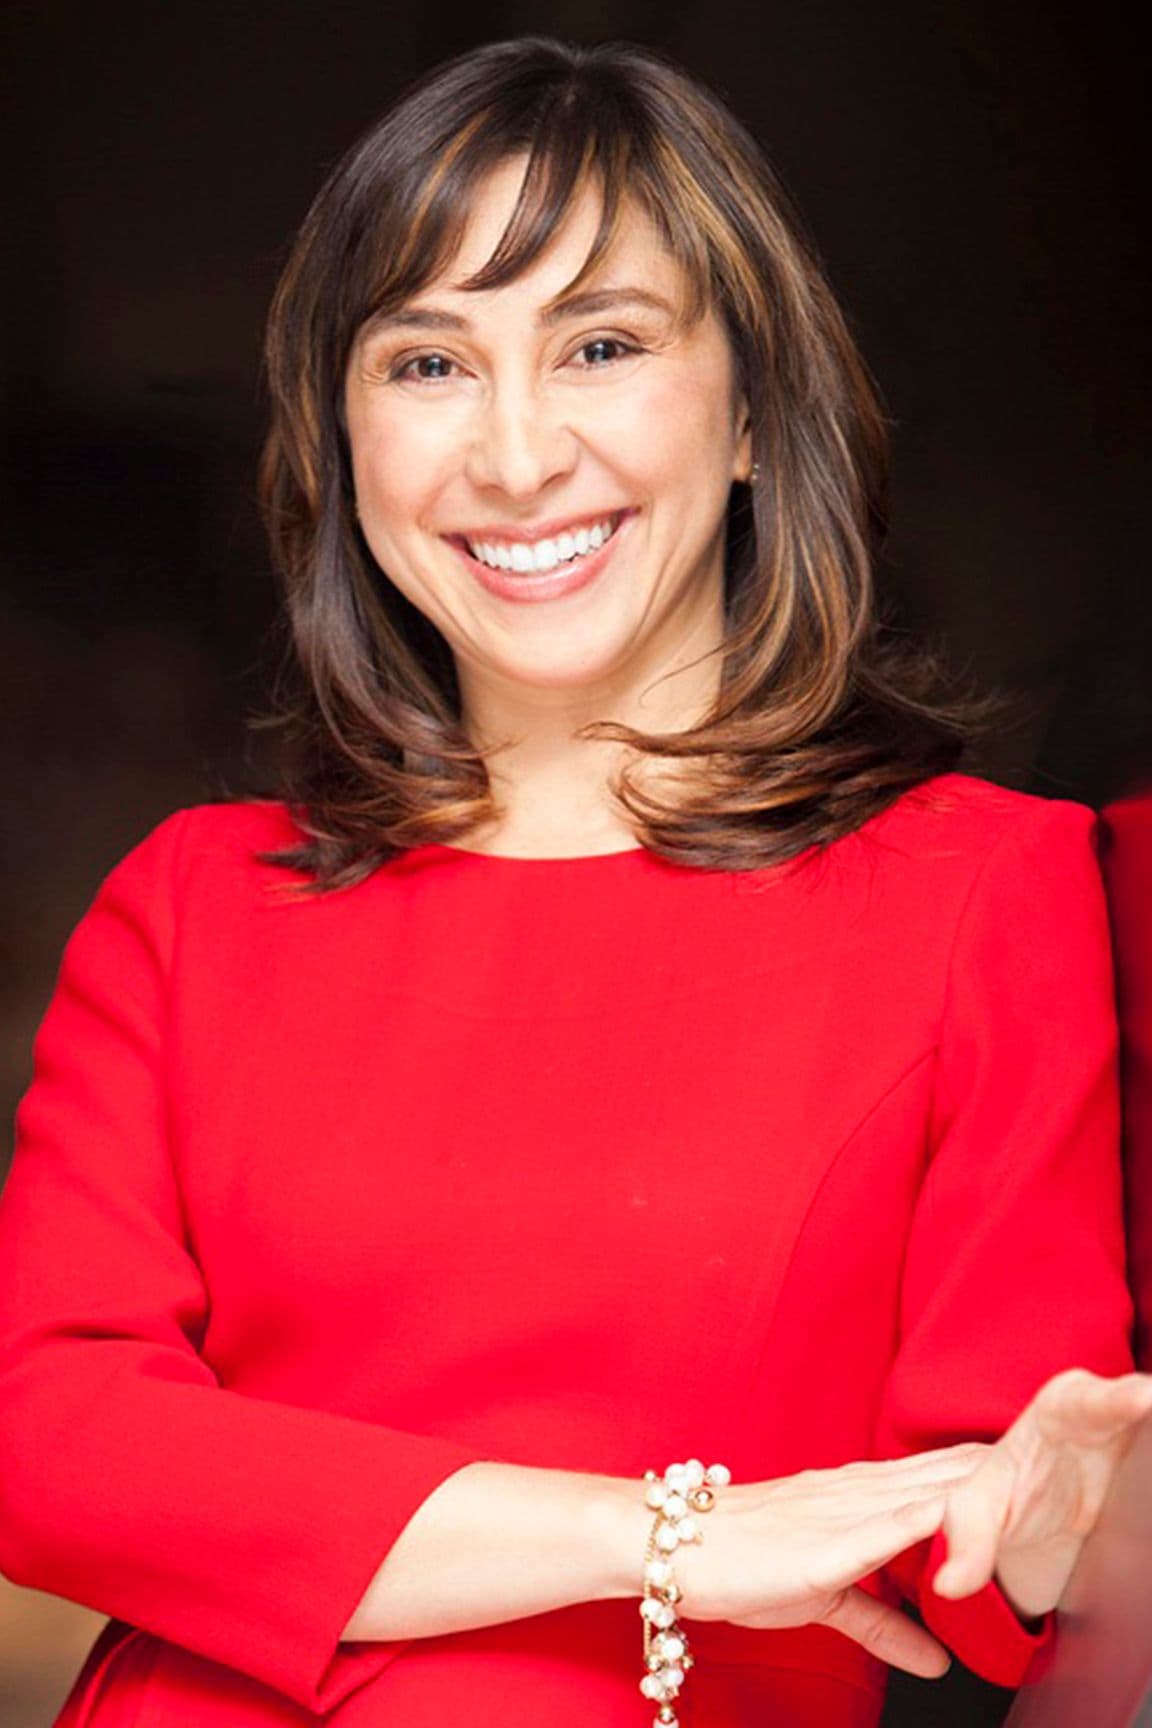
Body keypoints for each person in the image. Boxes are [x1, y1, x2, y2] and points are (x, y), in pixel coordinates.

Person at [0, 33, 1147, 1728]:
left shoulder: (990, 889)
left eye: (602, 344)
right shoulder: (193, 905)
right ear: (344, 442)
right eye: (429, 364)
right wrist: (670, 1541)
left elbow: (984, 1556)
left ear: (753, 414)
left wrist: (1066, 1538)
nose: (517, 454)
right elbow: (46, 1447)